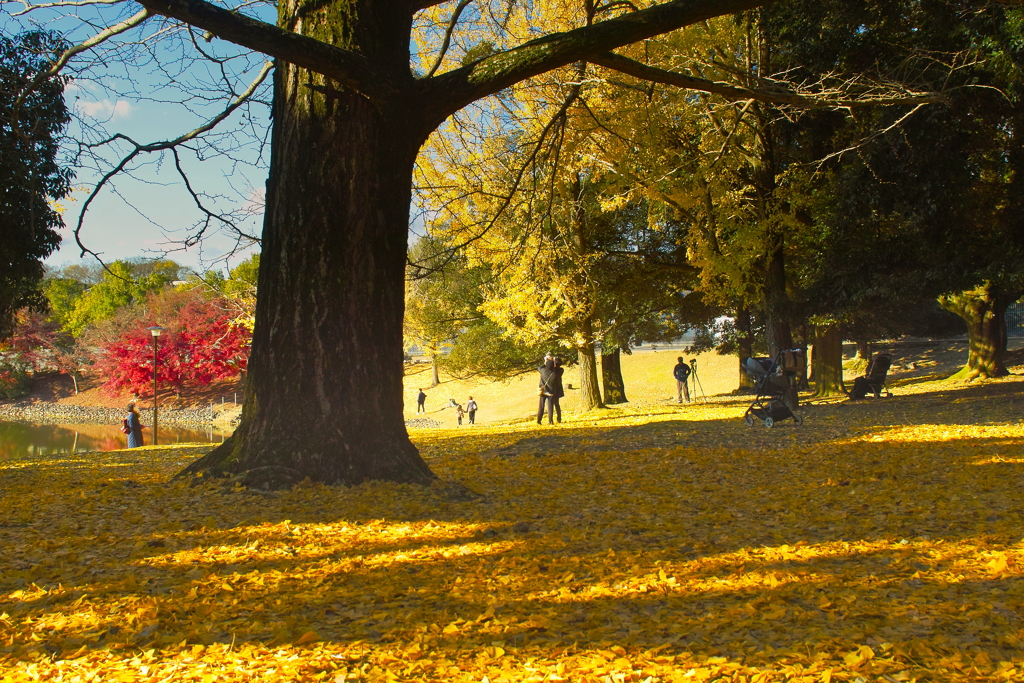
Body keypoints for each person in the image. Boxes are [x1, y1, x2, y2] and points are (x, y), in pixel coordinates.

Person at [537, 358, 557, 425]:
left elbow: (539, 367)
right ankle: (550, 421)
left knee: (541, 406)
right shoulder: (554, 374)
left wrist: (545, 362)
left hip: (543, 391)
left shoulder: (543, 371)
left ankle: (539, 421)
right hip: (551, 392)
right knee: (550, 406)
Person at [550, 357, 565, 423]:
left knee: (551, 404)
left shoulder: (554, 370)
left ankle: (551, 418)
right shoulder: (561, 369)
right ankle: (559, 418)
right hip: (558, 388)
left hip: (554, 388)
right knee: (557, 404)